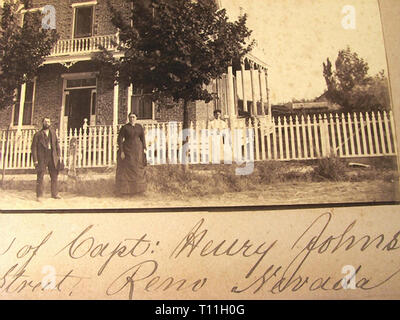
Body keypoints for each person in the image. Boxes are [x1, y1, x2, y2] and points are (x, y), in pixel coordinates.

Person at [115, 112, 147, 195]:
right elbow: (120, 139)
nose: (132, 119)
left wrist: (144, 148)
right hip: (128, 150)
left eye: (133, 117)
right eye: (130, 117)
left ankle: (139, 191)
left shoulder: (139, 127)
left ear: (136, 118)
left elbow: (142, 138)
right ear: (128, 118)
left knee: (137, 168)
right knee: (128, 169)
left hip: (138, 150)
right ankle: (126, 191)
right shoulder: (125, 127)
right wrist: (122, 151)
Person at [31, 117, 61, 201]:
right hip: (42, 158)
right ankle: (39, 196)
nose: (47, 123)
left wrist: (58, 156)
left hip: (52, 156)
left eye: (48, 122)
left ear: (50, 123)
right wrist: (35, 160)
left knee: (54, 176)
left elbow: (57, 145)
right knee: (40, 176)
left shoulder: (53, 133)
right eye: (45, 122)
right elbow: (33, 148)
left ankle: (54, 194)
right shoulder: (37, 135)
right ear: (42, 123)